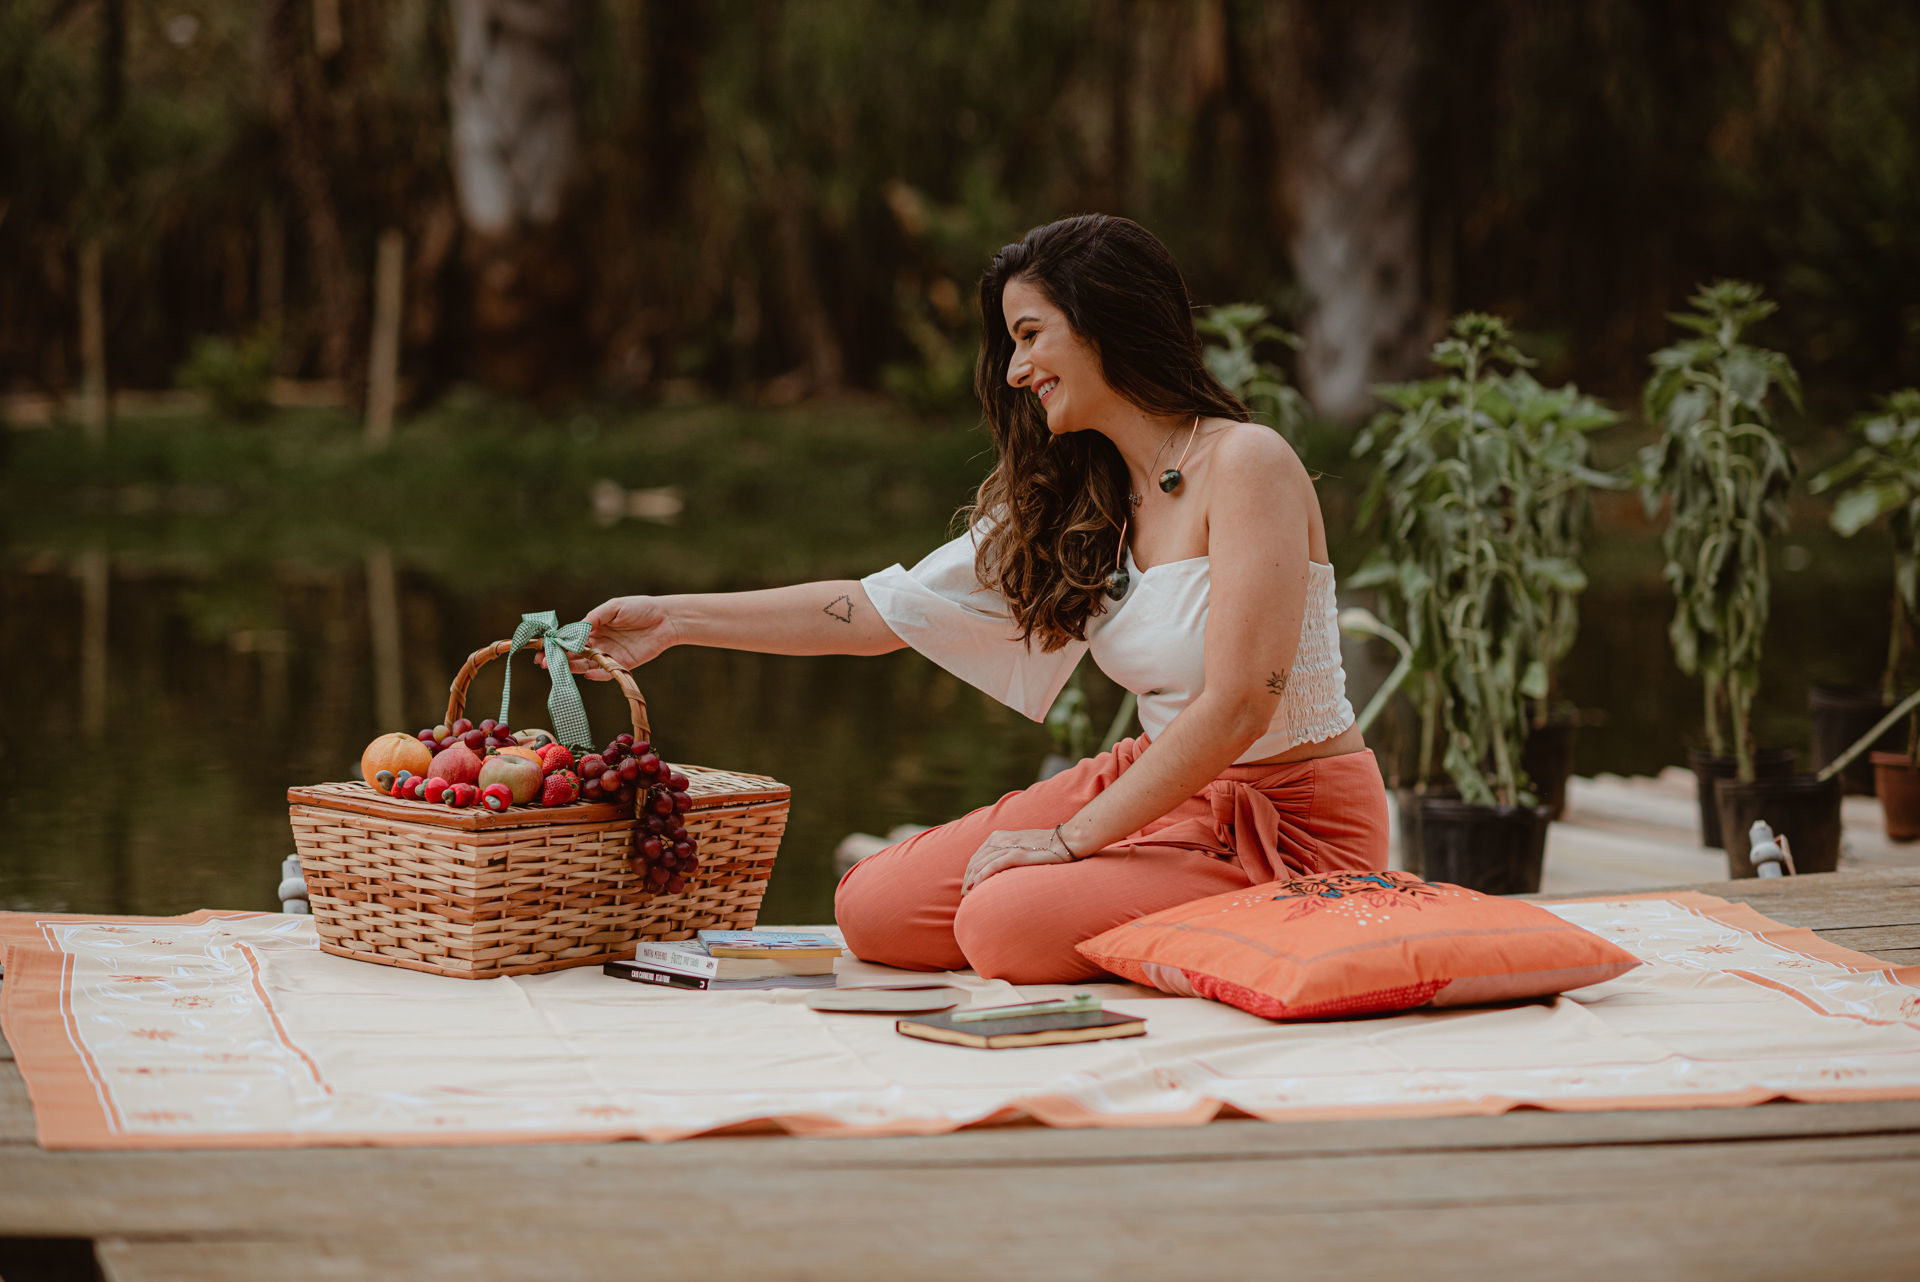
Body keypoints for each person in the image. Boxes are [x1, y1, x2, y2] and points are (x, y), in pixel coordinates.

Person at [571, 214, 1388, 985]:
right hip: (1161, 781)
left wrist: (1071, 842)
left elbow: (1243, 702)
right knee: (873, 908)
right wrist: (676, 620)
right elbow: (875, 612)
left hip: (1293, 823)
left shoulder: (1248, 463)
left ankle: (1269, 917)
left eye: (1030, 336)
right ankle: (1173, 916)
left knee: (1003, 924)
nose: (1013, 370)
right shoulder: (1090, 499)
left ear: (1105, 320)